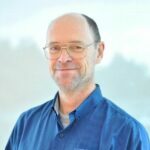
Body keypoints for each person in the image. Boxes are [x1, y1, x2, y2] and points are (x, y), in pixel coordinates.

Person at [5, 13, 150, 150]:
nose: (63, 58)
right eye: (54, 48)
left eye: (76, 47)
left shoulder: (129, 134)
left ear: (99, 52)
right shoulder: (26, 124)